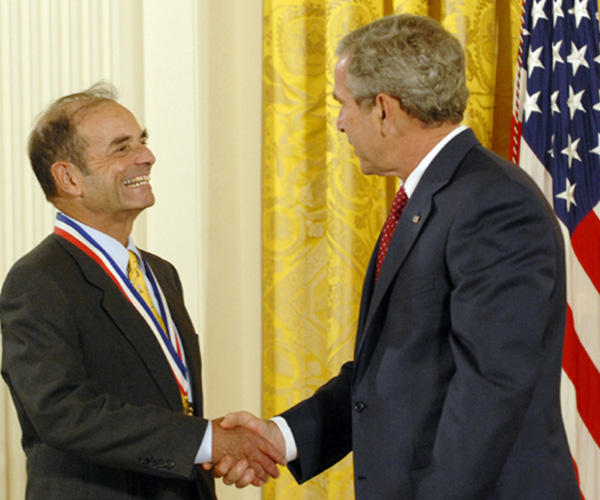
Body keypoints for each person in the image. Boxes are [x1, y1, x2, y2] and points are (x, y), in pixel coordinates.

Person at [210, 14, 581, 499]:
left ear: (384, 110)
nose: (340, 122)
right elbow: (392, 368)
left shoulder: (493, 204)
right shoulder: (434, 197)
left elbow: (491, 388)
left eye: (342, 104)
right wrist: (284, 436)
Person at [0, 83, 284, 500]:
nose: (146, 156)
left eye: (142, 140)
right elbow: (63, 413)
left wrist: (209, 442)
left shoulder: (161, 274)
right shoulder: (38, 280)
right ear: (69, 177)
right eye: (121, 148)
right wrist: (206, 441)